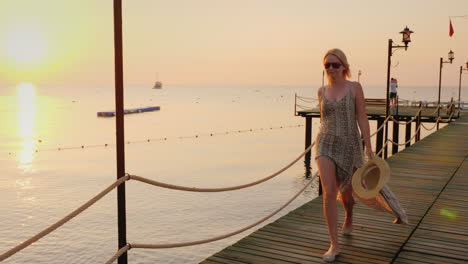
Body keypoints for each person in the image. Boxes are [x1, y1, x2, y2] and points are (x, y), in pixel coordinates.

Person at [315, 49, 407, 262]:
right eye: (327, 65)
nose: (331, 68)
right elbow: (323, 119)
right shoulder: (321, 91)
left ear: (344, 67)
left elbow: (362, 117)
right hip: (325, 144)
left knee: (347, 191)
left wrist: (368, 146)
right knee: (329, 192)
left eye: (335, 64)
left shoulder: (354, 87)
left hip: (350, 145)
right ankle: (334, 245)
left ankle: (349, 215)